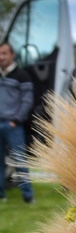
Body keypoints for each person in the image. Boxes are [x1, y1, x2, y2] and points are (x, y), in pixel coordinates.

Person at [0, 41, 35, 204]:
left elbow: (27, 101)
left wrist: (16, 120)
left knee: (20, 161)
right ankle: (1, 195)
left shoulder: (22, 75)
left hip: (13, 125)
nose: (1, 57)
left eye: (4, 53)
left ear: (12, 55)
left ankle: (27, 196)